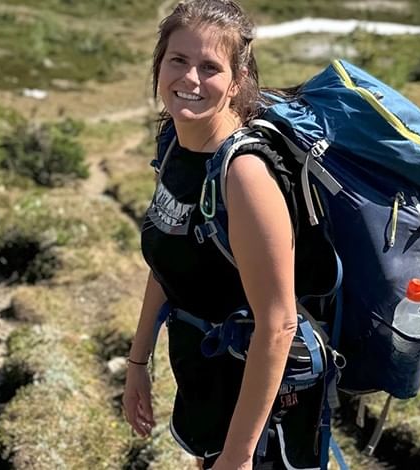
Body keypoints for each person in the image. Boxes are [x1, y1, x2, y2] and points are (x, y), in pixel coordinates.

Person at [122, 1, 329, 469]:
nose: (190, 79)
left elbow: (277, 325)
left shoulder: (244, 175)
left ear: (236, 82)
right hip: (208, 388)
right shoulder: (176, 143)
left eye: (210, 67)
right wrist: (138, 362)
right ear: (159, 65)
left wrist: (237, 458)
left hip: (262, 414)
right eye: (178, 60)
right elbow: (168, 259)